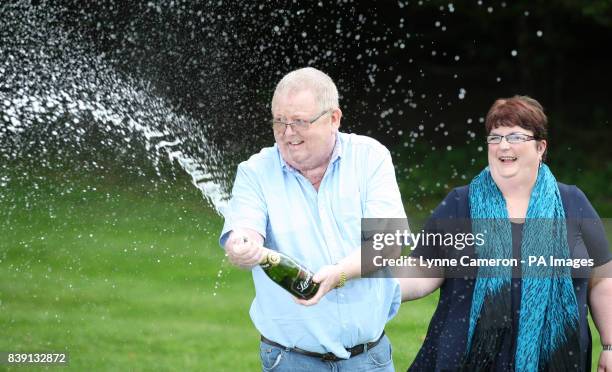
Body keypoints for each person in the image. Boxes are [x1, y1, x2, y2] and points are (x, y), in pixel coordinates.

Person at [399, 96, 612, 371]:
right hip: (464, 361)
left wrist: (609, 345)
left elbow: (602, 281)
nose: (503, 145)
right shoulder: (459, 204)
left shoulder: (573, 203)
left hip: (556, 361)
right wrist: (371, 281)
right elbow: (421, 270)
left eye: (515, 137)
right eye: (495, 137)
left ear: (540, 147)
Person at [219, 67, 407, 371]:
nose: (287, 132)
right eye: (279, 121)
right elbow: (244, 229)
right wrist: (243, 245)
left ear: (334, 118)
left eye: (299, 122)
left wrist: (339, 274)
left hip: (369, 359)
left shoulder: (370, 157)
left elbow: (388, 244)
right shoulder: (255, 171)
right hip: (290, 360)